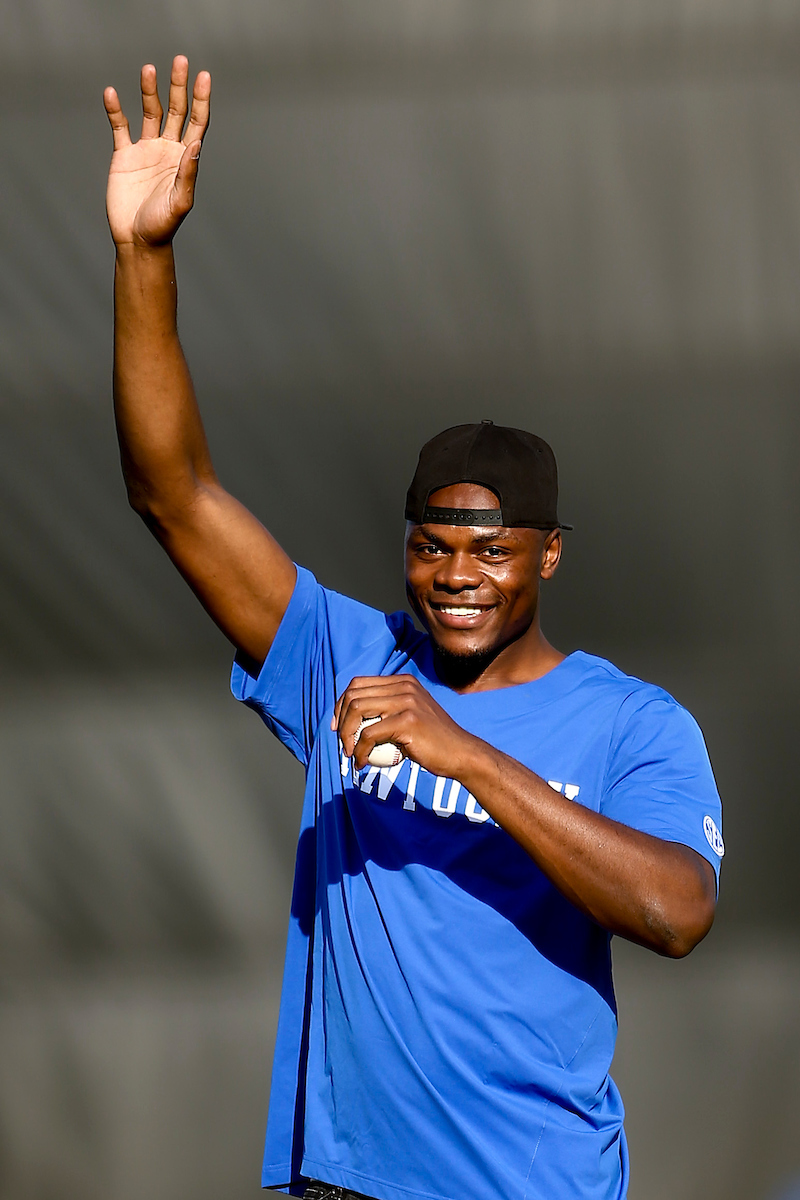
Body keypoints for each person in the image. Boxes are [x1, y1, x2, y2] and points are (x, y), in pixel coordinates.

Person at [104, 57, 723, 1200]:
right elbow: (173, 493)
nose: (455, 577)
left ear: (547, 553)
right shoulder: (344, 652)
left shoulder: (632, 723)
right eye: (430, 545)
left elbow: (675, 912)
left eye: (490, 551)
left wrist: (468, 755)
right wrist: (143, 257)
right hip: (336, 1186)